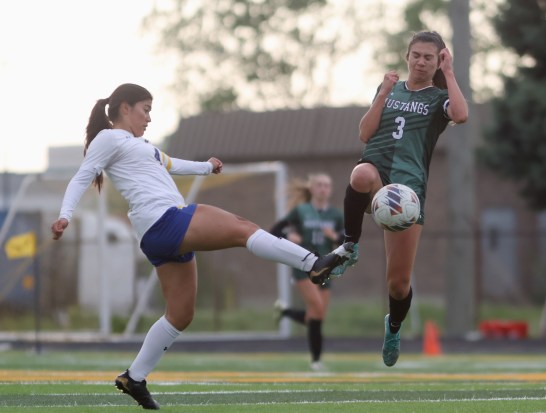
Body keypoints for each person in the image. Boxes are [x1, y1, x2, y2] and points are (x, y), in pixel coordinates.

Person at [50, 83, 353, 410]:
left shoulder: (140, 146)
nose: (149, 117)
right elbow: (83, 175)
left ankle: (134, 377)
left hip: (158, 234)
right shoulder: (109, 138)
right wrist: (65, 215)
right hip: (165, 220)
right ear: (125, 107)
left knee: (180, 315)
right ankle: (313, 263)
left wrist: (206, 167)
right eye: (145, 109)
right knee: (243, 228)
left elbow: (171, 163)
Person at [331, 31, 469, 367]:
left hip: (406, 193)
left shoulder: (439, 98)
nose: (421, 62)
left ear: (439, 61)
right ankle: (350, 245)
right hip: (377, 174)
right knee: (360, 174)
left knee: (398, 283)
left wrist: (450, 74)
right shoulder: (388, 89)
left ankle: (393, 328)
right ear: (407, 56)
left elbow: (462, 115)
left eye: (429, 57)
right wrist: (383, 94)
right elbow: (364, 134)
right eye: (416, 55)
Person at [270, 173, 344, 371]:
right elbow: (274, 231)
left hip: (326, 269)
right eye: (319, 185)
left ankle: (284, 311)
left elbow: (347, 242)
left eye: (327, 185)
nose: (323, 188)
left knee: (316, 315)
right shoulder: (301, 211)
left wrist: (335, 236)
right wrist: (288, 235)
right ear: (312, 188)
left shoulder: (336, 215)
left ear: (330, 190)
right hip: (303, 267)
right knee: (317, 311)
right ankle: (316, 361)